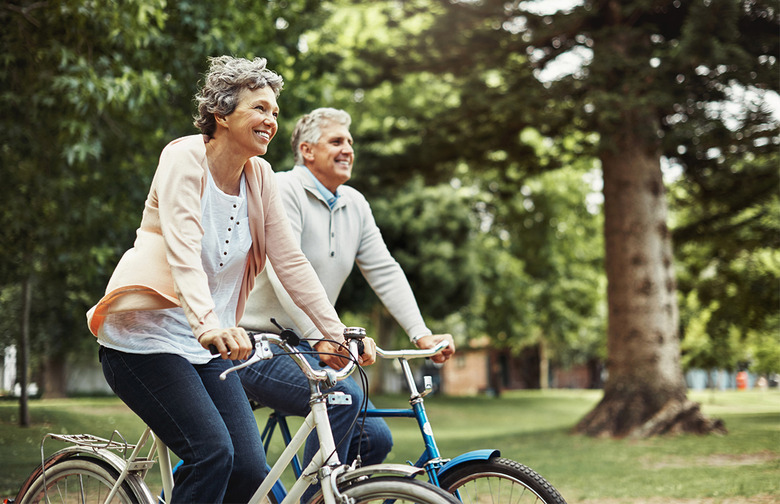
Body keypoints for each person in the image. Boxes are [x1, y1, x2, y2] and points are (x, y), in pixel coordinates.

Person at [86, 59, 375, 503]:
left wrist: (334, 334)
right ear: (221, 114)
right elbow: (183, 249)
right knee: (212, 453)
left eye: (275, 112)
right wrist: (208, 324)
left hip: (207, 348)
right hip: (144, 341)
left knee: (250, 469)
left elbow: (291, 262)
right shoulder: (183, 158)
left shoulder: (260, 177)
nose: (271, 120)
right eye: (260, 108)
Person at [238, 107, 455, 500]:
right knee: (342, 398)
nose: (348, 149)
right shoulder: (283, 189)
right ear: (307, 150)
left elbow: (384, 270)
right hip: (254, 342)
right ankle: (312, 499)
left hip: (308, 345)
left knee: (375, 438)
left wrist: (421, 334)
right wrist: (321, 335)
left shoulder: (354, 203)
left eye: (350, 142)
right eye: (337, 141)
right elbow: (284, 270)